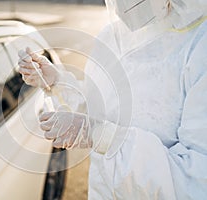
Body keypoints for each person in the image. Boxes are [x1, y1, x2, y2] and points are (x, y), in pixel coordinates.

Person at [18, 0, 207, 199]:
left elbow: (195, 181)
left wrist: (102, 135)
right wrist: (58, 81)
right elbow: (99, 107)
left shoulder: (199, 46)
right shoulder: (112, 36)